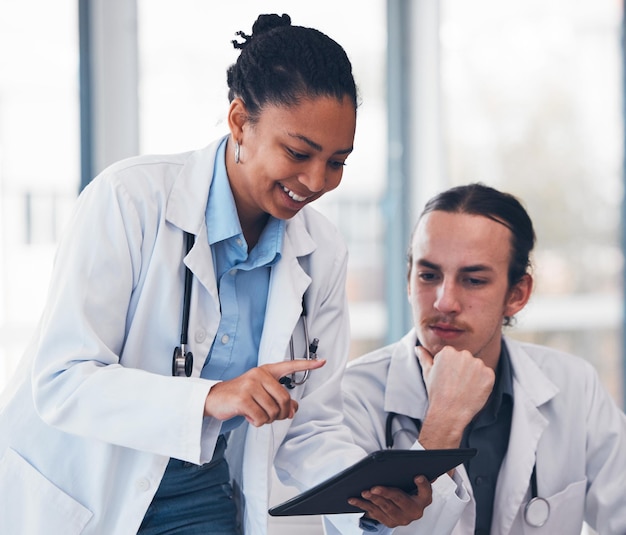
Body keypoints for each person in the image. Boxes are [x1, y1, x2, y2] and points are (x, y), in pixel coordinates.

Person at [0, 13, 432, 535]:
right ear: (239, 122)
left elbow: (310, 425)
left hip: (199, 497)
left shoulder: (322, 253)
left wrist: (369, 496)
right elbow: (62, 379)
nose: (317, 181)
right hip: (82, 486)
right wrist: (210, 397)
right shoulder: (129, 200)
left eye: (338, 162)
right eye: (298, 152)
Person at [335, 183, 626, 534]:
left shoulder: (574, 385)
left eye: (473, 280)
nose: (444, 302)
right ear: (409, 281)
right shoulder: (352, 395)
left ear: (517, 295)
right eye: (428, 276)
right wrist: (442, 423)